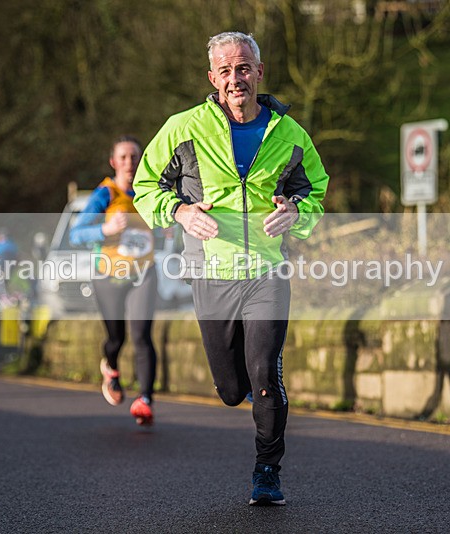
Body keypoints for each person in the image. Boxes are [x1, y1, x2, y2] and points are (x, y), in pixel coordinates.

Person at [133, 32, 329, 505]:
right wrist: (180, 211)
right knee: (230, 388)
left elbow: (316, 193)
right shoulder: (183, 128)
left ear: (259, 72)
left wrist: (297, 213)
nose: (235, 78)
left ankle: (267, 469)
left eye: (243, 68)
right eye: (225, 71)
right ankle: (241, 388)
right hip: (211, 272)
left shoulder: (291, 134)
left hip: (267, 272)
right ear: (212, 78)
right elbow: (145, 186)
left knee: (264, 373)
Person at [70, 136, 158, 426]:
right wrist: (105, 229)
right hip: (108, 275)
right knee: (116, 338)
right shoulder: (105, 194)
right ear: (113, 162)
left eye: (134, 157)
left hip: (143, 272)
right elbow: (75, 234)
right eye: (123, 157)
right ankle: (111, 367)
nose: (129, 162)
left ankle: (145, 400)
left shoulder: (150, 191)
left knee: (142, 335)